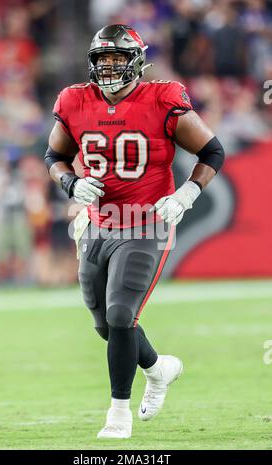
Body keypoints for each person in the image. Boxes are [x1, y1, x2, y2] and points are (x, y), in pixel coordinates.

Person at [44, 24, 224, 439]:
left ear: (137, 62)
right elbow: (56, 155)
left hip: (146, 221)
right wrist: (70, 182)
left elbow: (212, 150)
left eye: (117, 59)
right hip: (96, 222)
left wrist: (187, 194)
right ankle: (159, 369)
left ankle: (118, 414)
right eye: (102, 60)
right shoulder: (74, 100)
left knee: (122, 315)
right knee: (105, 325)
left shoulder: (162, 98)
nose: (108, 68)